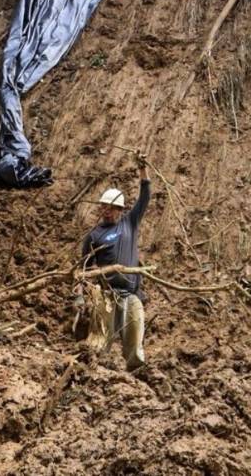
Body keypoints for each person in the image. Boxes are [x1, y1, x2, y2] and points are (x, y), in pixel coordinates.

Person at [81, 152, 150, 370]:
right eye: (103, 207)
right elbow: (82, 268)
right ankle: (97, 371)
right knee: (100, 343)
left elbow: (145, 196)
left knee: (135, 338)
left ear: (120, 210)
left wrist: (142, 169)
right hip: (106, 294)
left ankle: (134, 372)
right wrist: (81, 296)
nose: (106, 211)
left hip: (130, 293)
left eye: (111, 208)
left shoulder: (129, 223)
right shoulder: (94, 235)